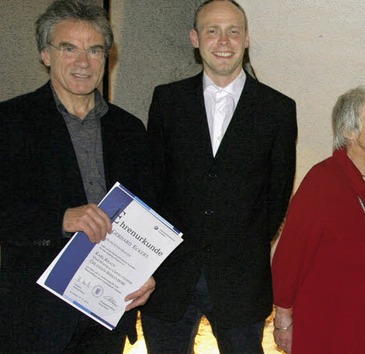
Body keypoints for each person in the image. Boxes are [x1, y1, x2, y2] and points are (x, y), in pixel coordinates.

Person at [140, 0, 297, 353]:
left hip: (241, 281)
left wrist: (242, 245)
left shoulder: (278, 109)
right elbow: (154, 183)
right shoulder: (167, 100)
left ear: (246, 40)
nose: (222, 40)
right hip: (170, 277)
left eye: (233, 31)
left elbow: (277, 195)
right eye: (212, 30)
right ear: (195, 38)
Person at [0, 0, 155, 352]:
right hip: (34, 316)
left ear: (107, 57)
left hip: (108, 310)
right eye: (69, 48)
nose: (83, 62)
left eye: (95, 49)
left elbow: (147, 213)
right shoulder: (10, 122)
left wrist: (148, 273)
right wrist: (62, 218)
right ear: (45, 55)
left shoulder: (129, 129)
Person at [271, 86, 365, 354]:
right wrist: (283, 320)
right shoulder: (322, 181)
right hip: (328, 323)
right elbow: (290, 256)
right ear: (348, 132)